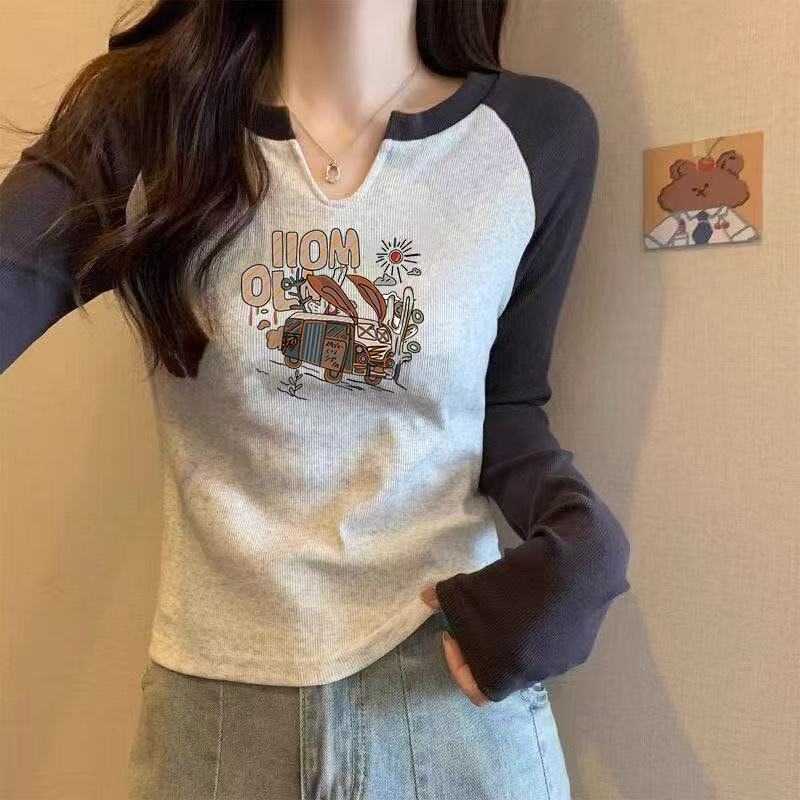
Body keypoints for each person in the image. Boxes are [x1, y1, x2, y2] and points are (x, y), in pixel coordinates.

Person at [0, 1, 632, 797]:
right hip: (218, 711)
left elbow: (504, 406)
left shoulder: (536, 137)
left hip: (445, 693)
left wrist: (584, 541)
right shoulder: (146, 125)